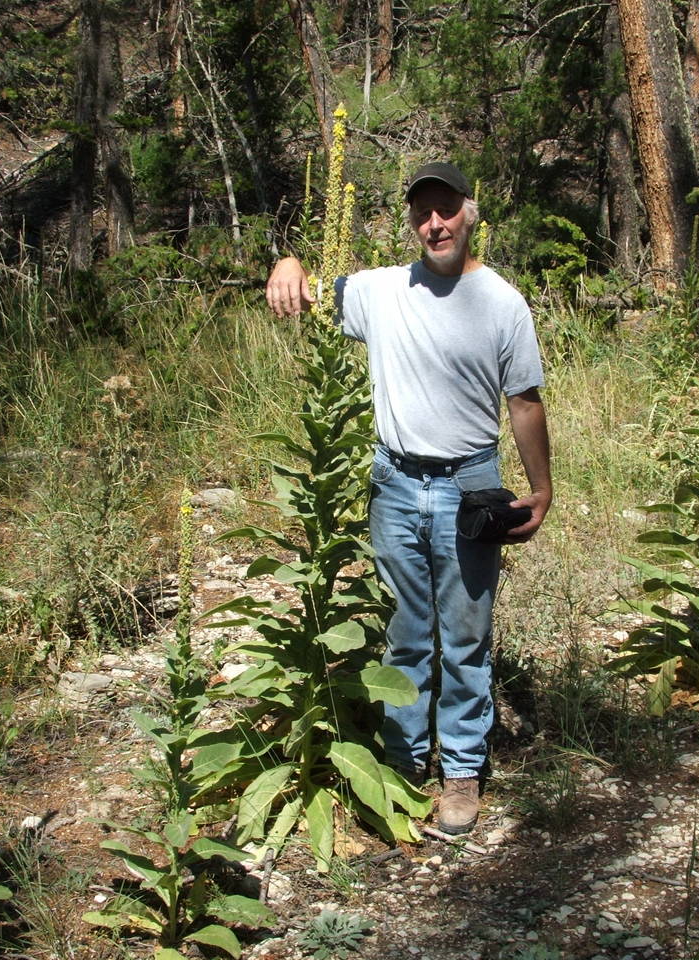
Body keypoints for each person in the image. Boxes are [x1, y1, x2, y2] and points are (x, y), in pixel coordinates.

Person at [265, 161, 552, 835]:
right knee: (405, 634)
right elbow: (304, 291)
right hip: (394, 482)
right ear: (412, 223)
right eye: (423, 212)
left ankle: (459, 774)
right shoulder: (379, 290)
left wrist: (542, 489)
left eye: (446, 209)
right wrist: (286, 259)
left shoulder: (503, 302)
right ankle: (400, 764)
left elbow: (525, 402)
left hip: (471, 483)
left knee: (465, 636)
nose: (435, 223)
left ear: (470, 213)